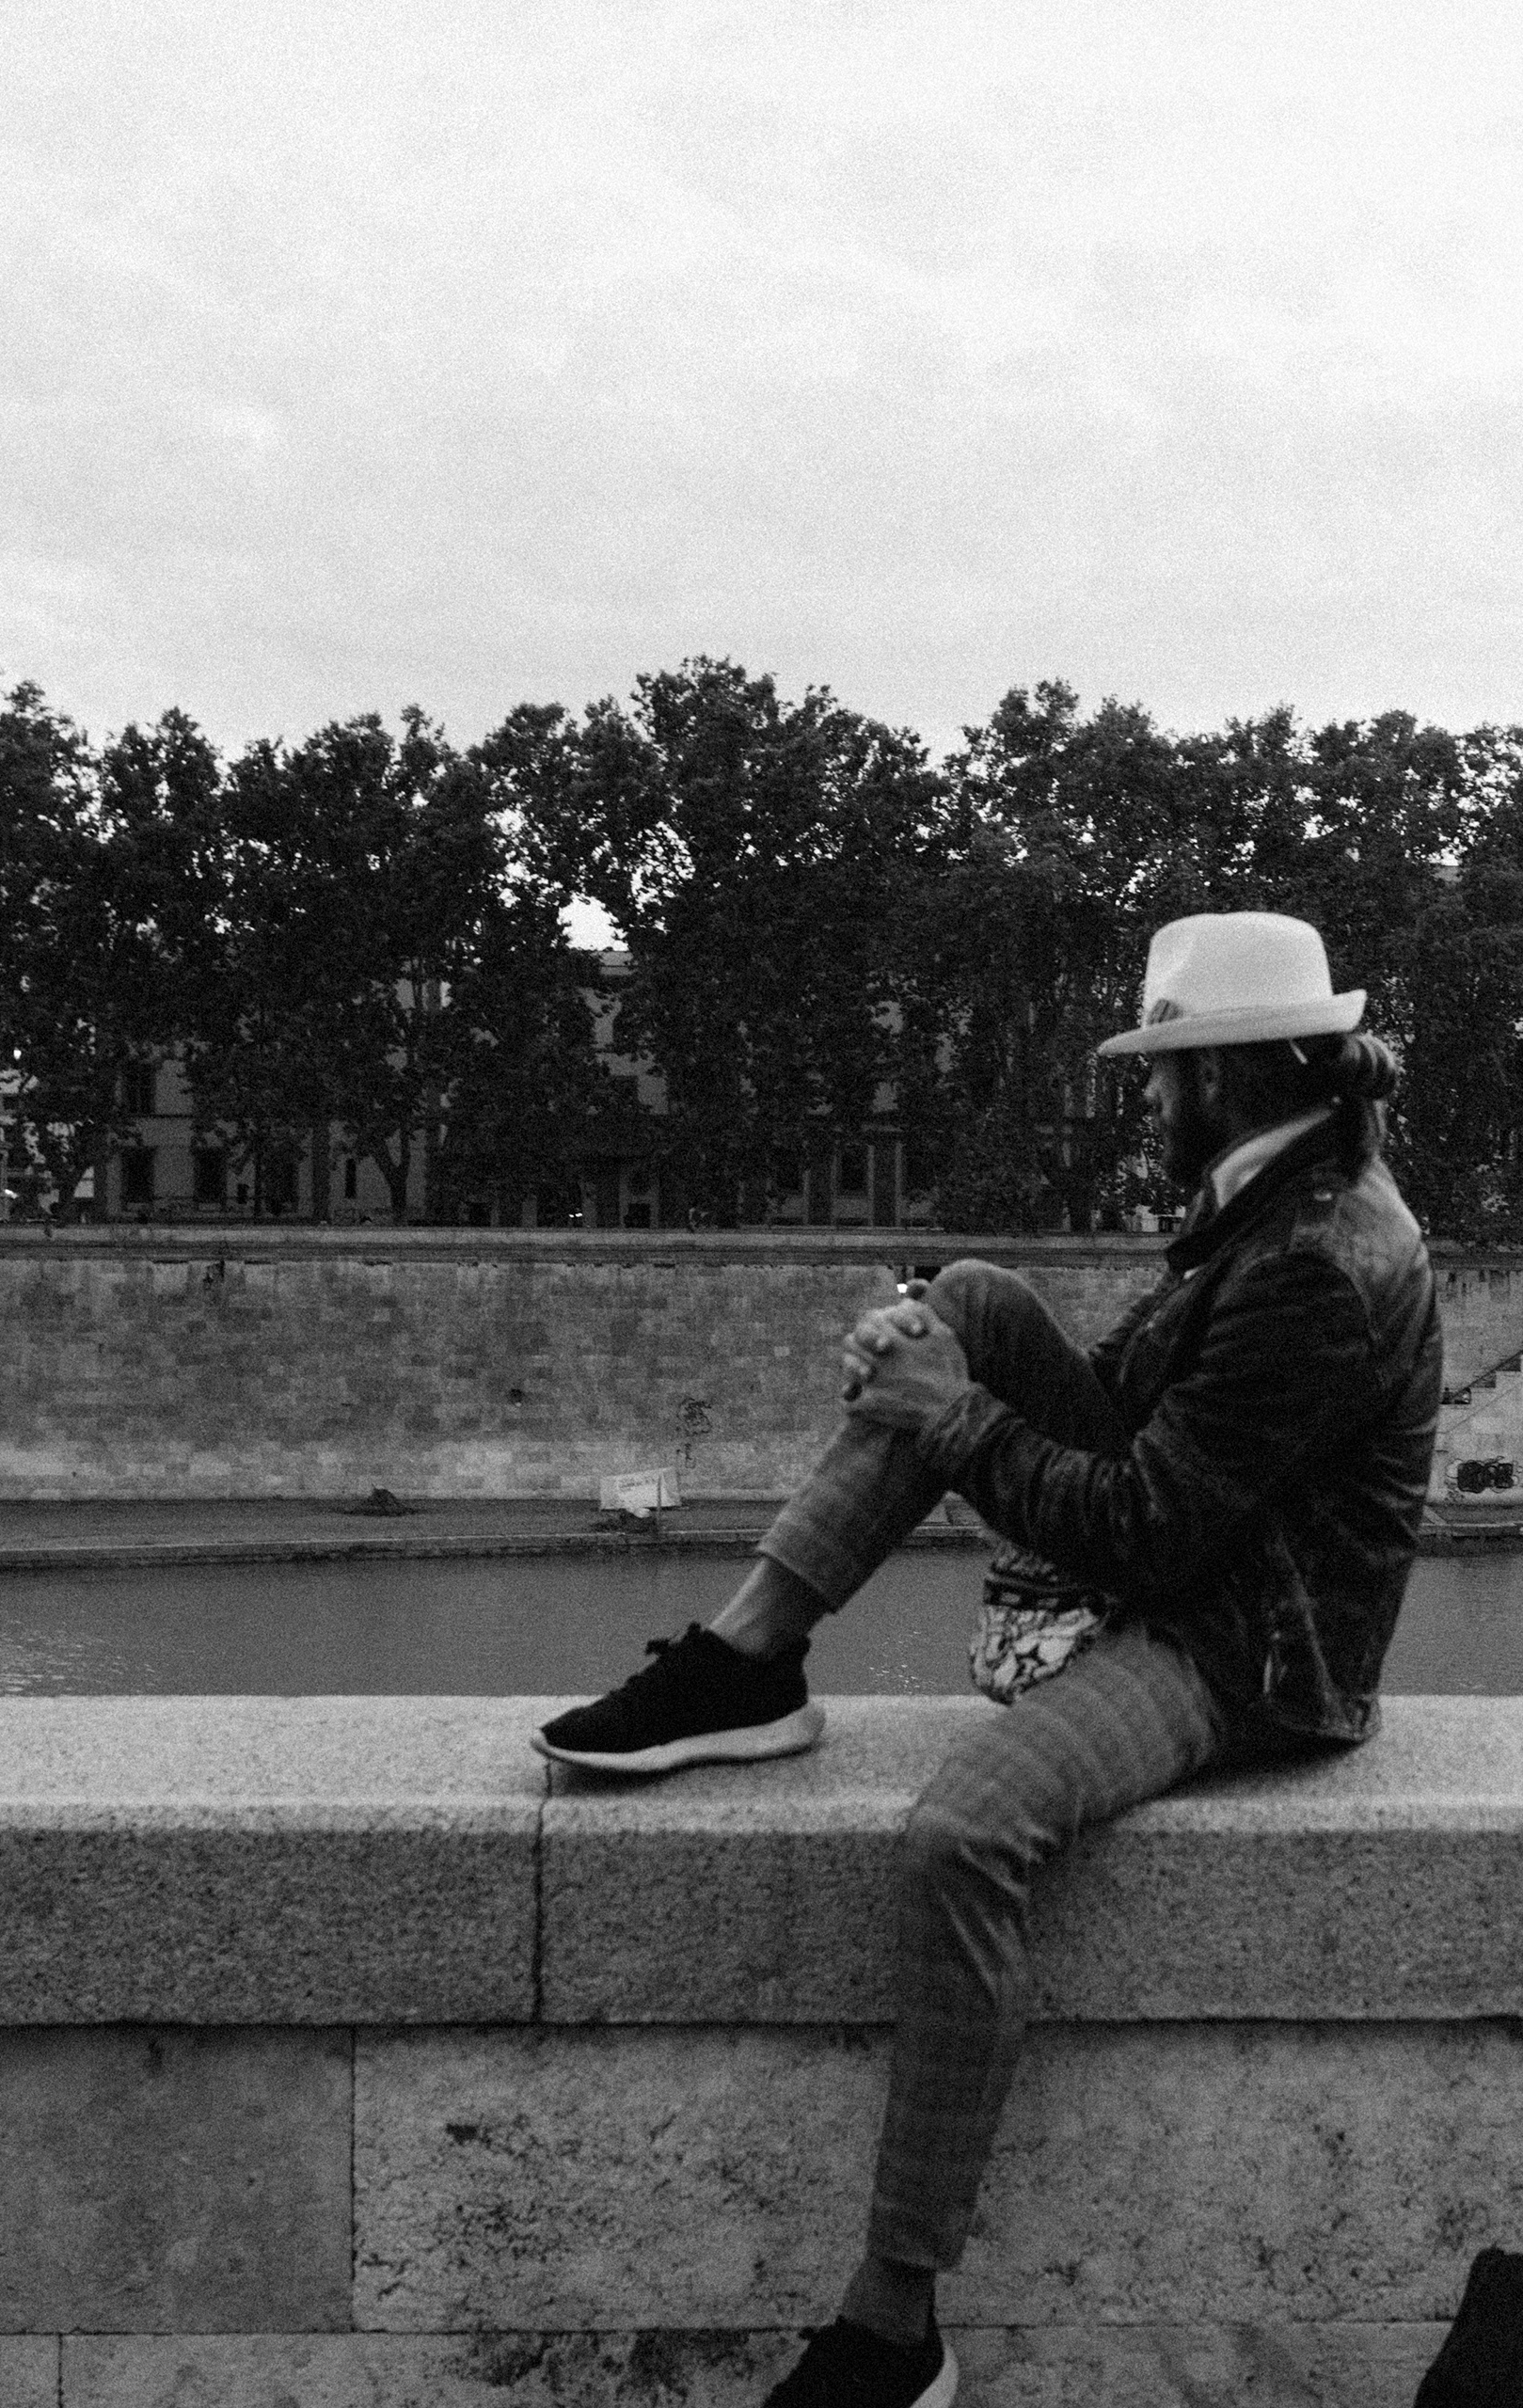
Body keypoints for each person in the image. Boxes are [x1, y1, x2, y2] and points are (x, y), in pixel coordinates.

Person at [535, 911, 1441, 2408]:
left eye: (1162, 1072)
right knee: (971, 1297)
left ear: (1225, 1074)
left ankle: (896, 2321)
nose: (1147, 1098)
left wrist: (941, 1415)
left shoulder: (1317, 1259)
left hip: (1253, 1648)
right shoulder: (1281, 1193)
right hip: (1216, 1564)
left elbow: (1145, 1534)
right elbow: (1146, 1416)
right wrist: (935, 1357)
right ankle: (745, 1658)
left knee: (965, 1832)